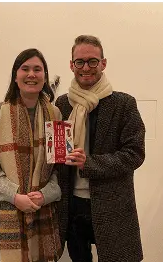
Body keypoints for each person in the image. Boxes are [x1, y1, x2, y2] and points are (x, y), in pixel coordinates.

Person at [56, 35, 145, 262]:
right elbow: (56, 153)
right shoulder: (62, 104)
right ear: (71, 65)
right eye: (80, 62)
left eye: (92, 61)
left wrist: (90, 163)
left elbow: (135, 153)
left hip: (112, 205)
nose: (86, 67)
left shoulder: (124, 104)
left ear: (103, 64)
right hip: (72, 205)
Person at [0, 48, 63, 262]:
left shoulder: (57, 116)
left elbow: (60, 168)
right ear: (15, 76)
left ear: (45, 76)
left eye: (37, 69)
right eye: (25, 69)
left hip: (40, 211)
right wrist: (15, 197)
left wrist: (45, 195)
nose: (31, 74)